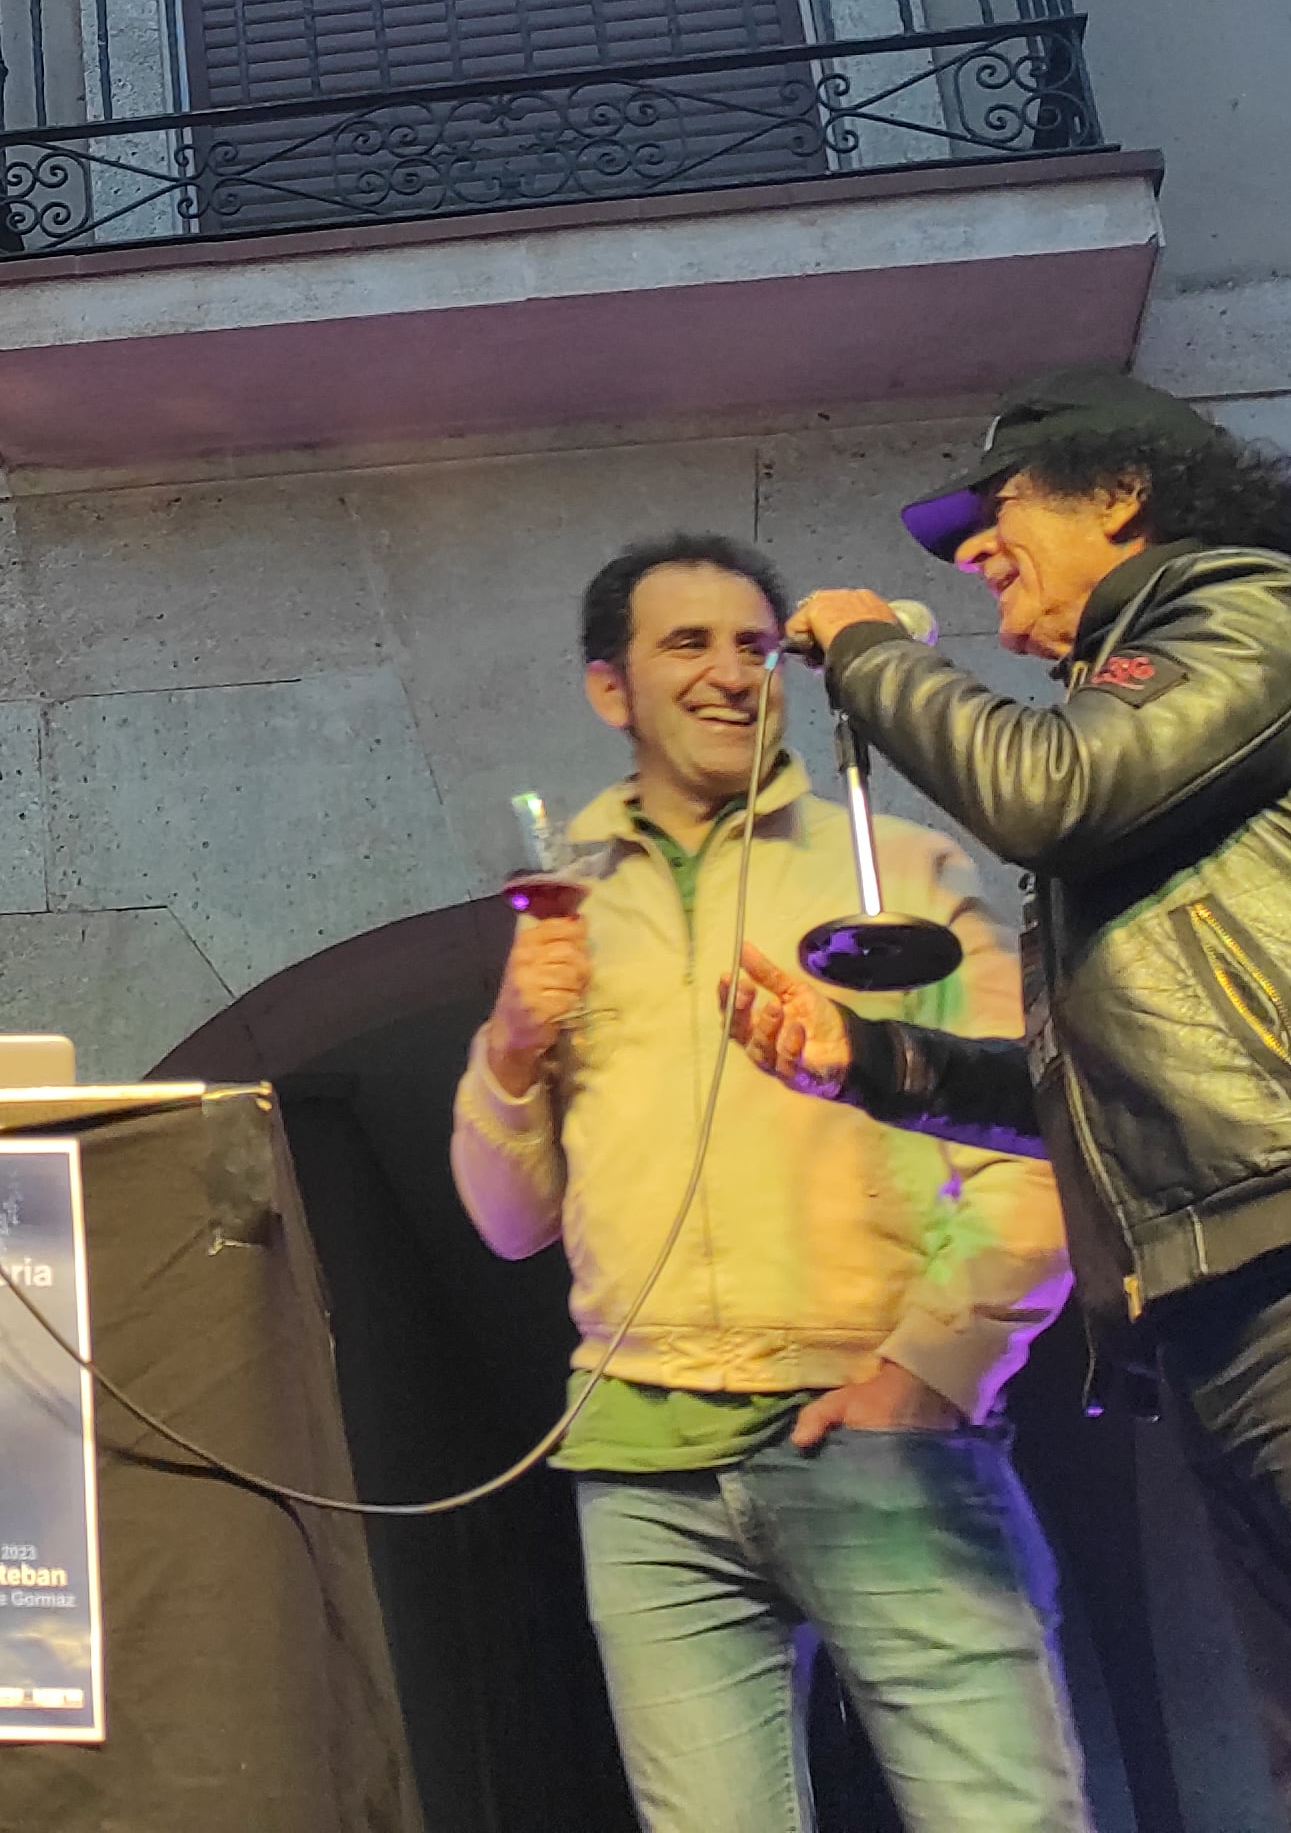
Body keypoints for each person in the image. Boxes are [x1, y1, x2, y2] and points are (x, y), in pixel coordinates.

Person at [751, 370, 1291, 1833]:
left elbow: (1049, 791)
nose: (970, 557)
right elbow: (1116, 1081)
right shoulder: (1172, 730)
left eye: (998, 511)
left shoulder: (1253, 611)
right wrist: (870, 1062)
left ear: (1123, 493)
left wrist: (863, 657)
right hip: (1243, 1287)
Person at [453, 535, 1091, 1833]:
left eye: (754, 646)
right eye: (685, 644)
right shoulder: (569, 900)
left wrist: (934, 1368)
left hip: (877, 1437)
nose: (732, 674)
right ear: (607, 689)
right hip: (641, 1470)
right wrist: (510, 1052)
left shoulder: (896, 872)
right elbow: (508, 1220)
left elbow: (1047, 1142)